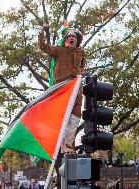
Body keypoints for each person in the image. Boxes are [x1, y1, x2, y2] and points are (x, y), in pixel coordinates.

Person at [38, 24, 85, 154]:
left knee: (75, 118)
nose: (71, 37)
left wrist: (82, 75)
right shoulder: (59, 50)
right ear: (66, 39)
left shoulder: (81, 52)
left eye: (73, 36)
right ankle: (62, 145)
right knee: (62, 116)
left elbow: (81, 68)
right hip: (62, 88)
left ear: (77, 40)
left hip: (76, 88)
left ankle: (69, 145)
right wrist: (43, 31)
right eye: (68, 36)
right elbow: (42, 46)